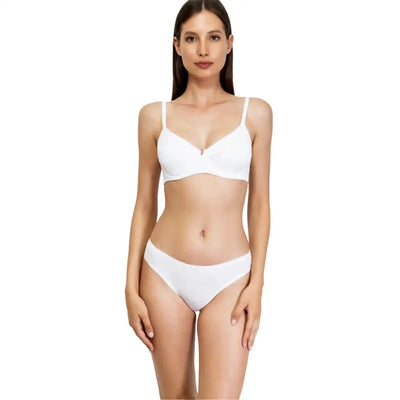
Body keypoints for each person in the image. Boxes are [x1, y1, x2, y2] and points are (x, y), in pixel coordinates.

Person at [125, 1, 272, 398]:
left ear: (230, 44)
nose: (203, 50)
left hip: (231, 277)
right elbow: (144, 205)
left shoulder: (255, 113)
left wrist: (257, 283)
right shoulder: (154, 116)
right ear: (176, 46)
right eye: (191, 39)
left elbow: (260, 205)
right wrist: (130, 287)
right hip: (163, 273)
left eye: (213, 37)